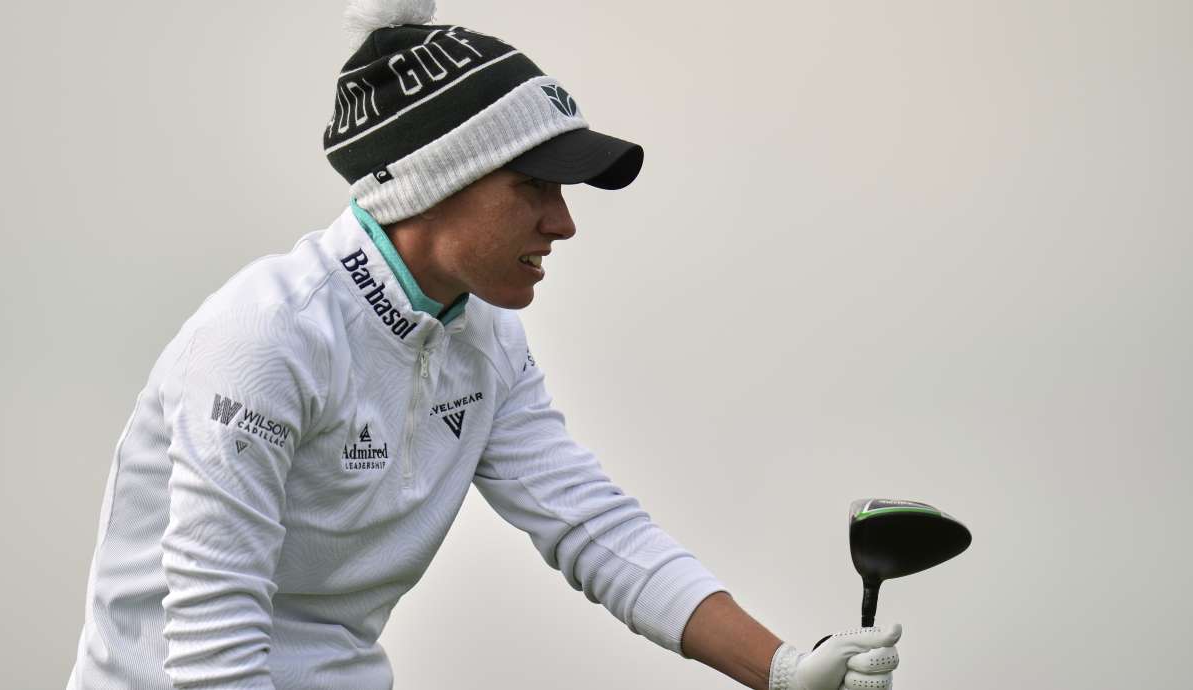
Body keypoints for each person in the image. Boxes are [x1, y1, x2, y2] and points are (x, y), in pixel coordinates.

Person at [66, 2, 903, 688]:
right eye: (533, 186)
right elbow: (212, 656)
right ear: (434, 179)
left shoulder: (485, 336)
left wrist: (785, 671)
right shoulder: (264, 339)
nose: (564, 222)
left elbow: (589, 524)